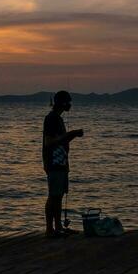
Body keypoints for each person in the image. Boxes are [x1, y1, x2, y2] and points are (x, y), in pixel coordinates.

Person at [42, 90, 84, 238]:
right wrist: (71, 133)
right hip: (54, 162)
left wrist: (72, 136)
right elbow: (49, 142)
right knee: (53, 195)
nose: (70, 104)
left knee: (58, 195)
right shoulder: (51, 118)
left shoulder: (58, 119)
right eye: (68, 102)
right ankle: (49, 230)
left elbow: (61, 140)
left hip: (61, 162)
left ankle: (58, 227)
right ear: (62, 103)